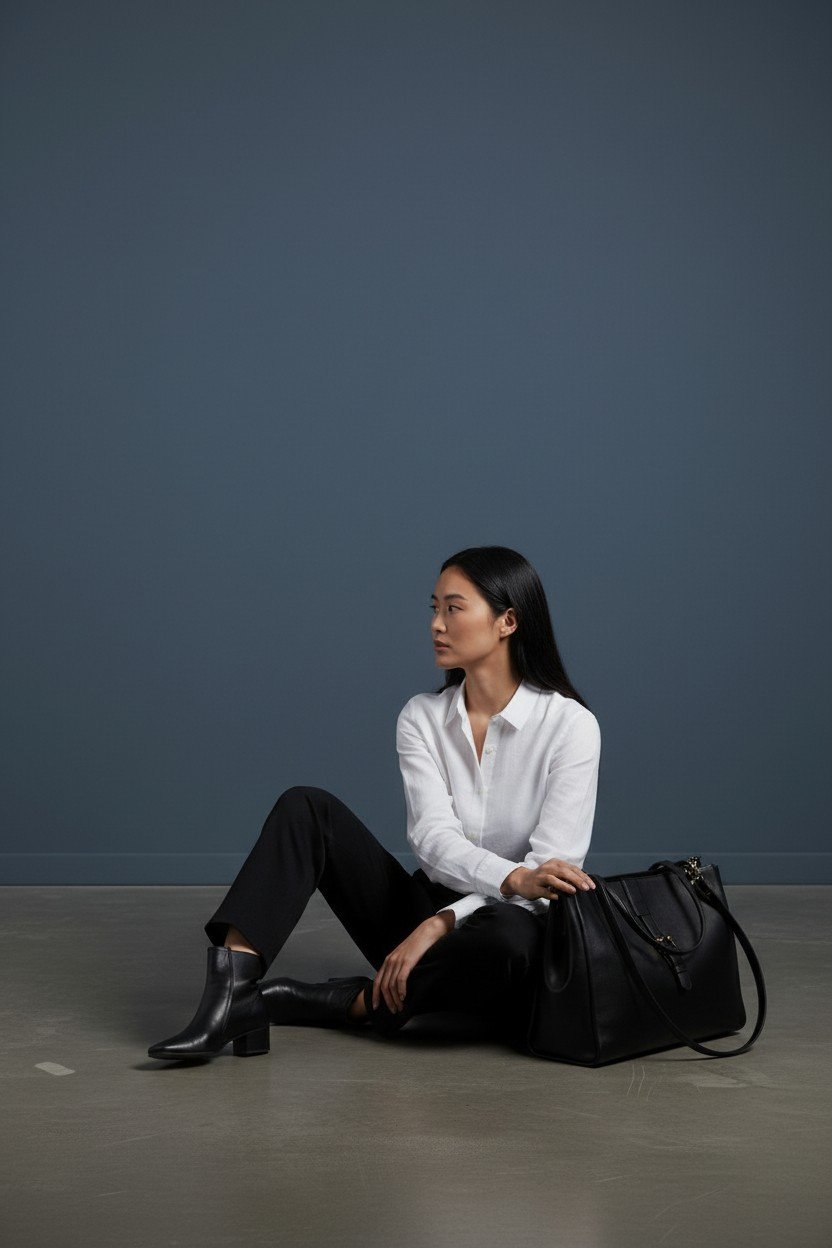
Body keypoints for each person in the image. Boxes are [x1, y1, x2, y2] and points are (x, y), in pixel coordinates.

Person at [147, 545, 601, 1062]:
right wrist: (438, 912)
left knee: (512, 939)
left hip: (504, 928)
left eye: (454, 608)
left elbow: (549, 880)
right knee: (306, 808)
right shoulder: (422, 717)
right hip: (420, 908)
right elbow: (431, 840)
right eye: (434, 608)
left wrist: (442, 923)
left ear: (507, 621)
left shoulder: (570, 726)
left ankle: (357, 1003)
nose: (436, 624)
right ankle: (231, 997)